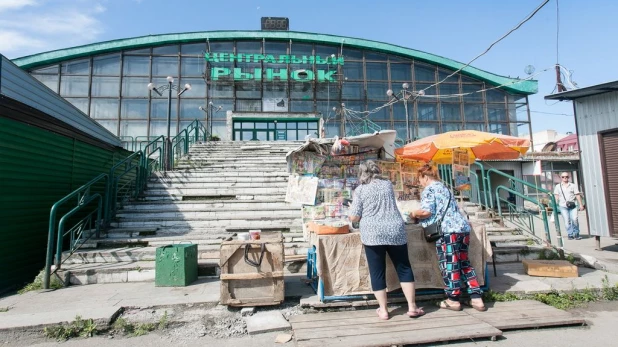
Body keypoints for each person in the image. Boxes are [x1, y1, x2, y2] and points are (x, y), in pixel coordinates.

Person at [348, 160, 424, 320]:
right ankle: (412, 306)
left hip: (373, 233)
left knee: (377, 271)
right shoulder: (388, 185)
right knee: (404, 267)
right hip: (395, 229)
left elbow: (354, 216)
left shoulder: (360, 190)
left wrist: (353, 215)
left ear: (361, 173)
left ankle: (383, 310)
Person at [410, 164, 486, 312]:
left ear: (424, 176)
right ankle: (477, 298)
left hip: (447, 231)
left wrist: (413, 213)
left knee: (450, 265)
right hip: (462, 229)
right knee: (465, 263)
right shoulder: (445, 188)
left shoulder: (429, 189)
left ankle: (453, 299)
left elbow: (426, 211)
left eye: (419, 179)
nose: (419, 182)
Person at [553, 172, 585, 240]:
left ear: (569, 177)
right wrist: (555, 205)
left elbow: (577, 195)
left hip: (573, 205)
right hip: (563, 206)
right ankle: (570, 234)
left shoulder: (573, 185)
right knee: (567, 221)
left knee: (574, 219)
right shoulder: (558, 186)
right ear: (561, 178)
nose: (565, 178)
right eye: (563, 177)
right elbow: (556, 196)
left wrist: (581, 204)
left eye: (566, 176)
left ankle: (576, 234)